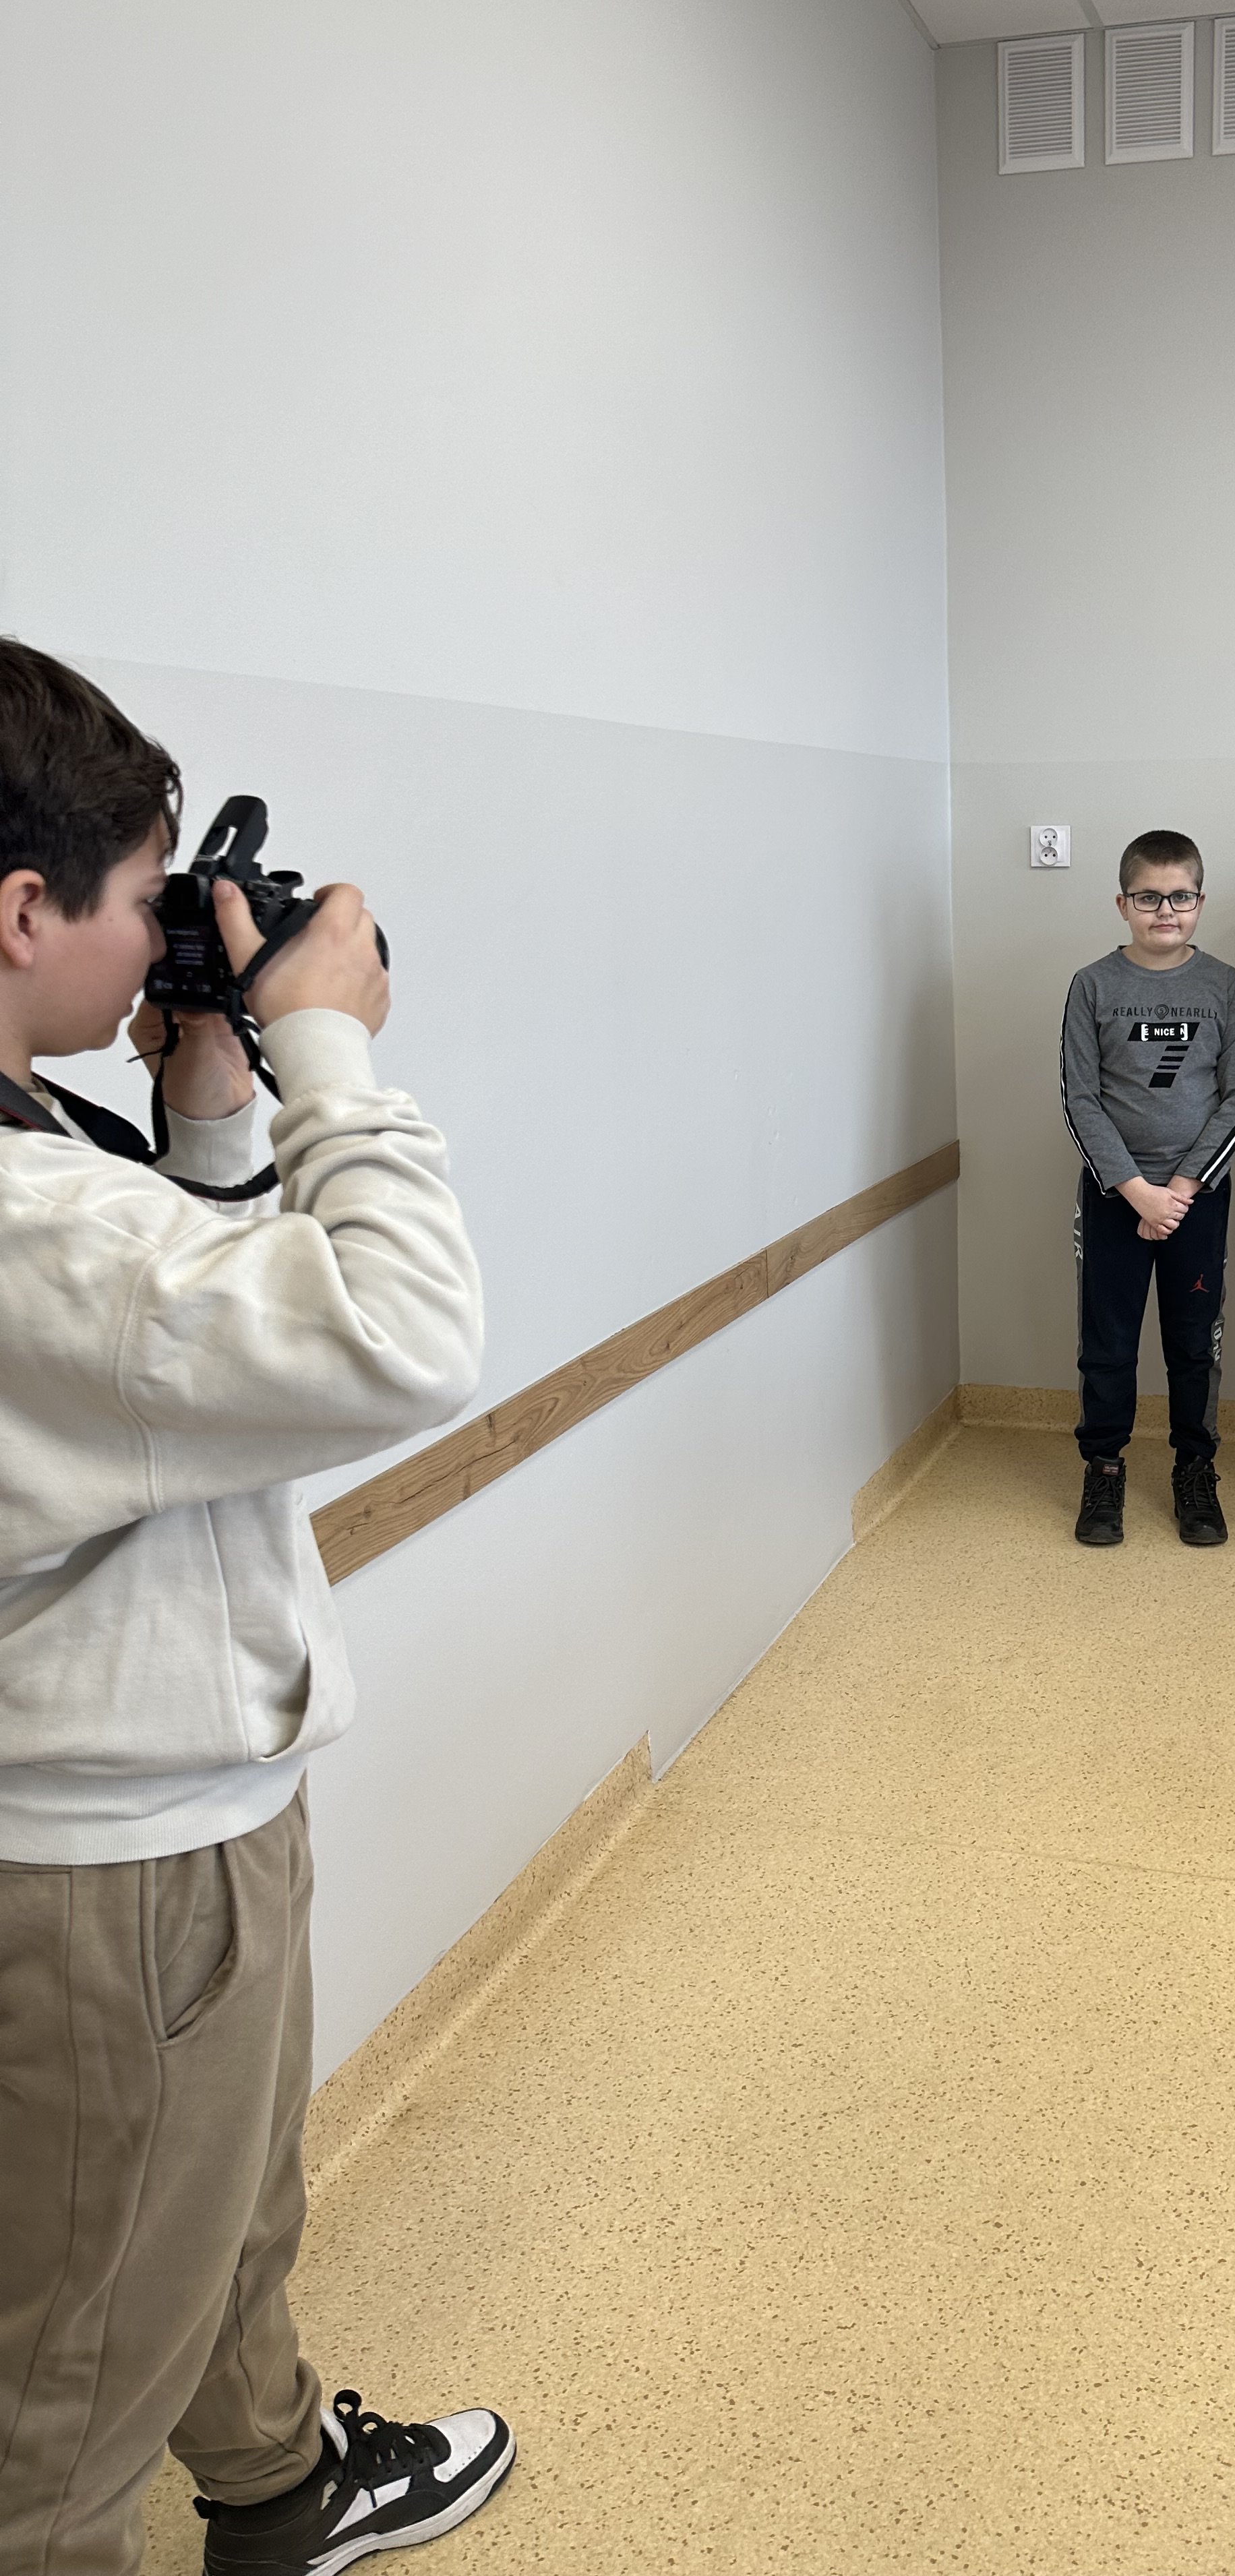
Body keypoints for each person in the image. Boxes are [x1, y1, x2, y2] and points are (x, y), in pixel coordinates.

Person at [0, 644, 514, 2576]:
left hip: (168, 1806)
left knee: (212, 2220)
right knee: (65, 2395)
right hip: (113, 1871)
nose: (165, 938)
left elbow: (178, 1358)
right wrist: (325, 1053)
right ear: (24, 913)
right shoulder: (33, 1221)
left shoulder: (43, 1143)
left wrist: (207, 1098)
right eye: (146, 899)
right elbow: (397, 1338)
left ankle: (282, 2485)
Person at [1060, 830, 1235, 1549]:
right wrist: (1137, 1192)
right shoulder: (1092, 985)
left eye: (1180, 897)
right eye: (1148, 898)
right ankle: (1104, 1468)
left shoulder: (1225, 987)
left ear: (1200, 902)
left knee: (1194, 1343)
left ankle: (1194, 1469)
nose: (1165, 911)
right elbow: (1081, 1098)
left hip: (1196, 1200)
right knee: (1107, 1344)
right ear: (1123, 904)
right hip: (1114, 1198)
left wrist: (1179, 1188)